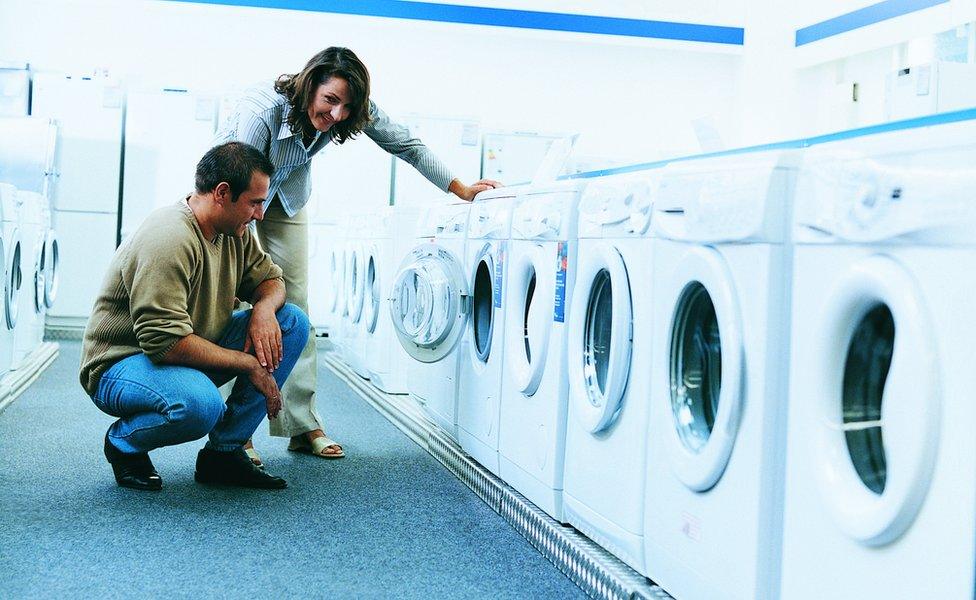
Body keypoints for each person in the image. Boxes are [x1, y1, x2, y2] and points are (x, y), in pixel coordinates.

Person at [215, 46, 500, 464]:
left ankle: (301, 423)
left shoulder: (349, 109)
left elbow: (408, 145)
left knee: (295, 308)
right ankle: (236, 432)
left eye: (347, 107)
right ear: (311, 85)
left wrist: (459, 188)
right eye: (330, 100)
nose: (337, 115)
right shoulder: (262, 111)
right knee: (238, 306)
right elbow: (236, 175)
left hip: (286, 197)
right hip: (236, 195)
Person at [79, 141, 310, 491]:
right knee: (201, 405)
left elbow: (272, 280)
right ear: (222, 193)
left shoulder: (234, 231)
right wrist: (247, 364)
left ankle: (224, 454)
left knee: (291, 321)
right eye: (255, 202)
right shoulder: (170, 237)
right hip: (122, 364)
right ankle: (123, 444)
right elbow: (165, 344)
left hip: (188, 345)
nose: (260, 214)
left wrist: (262, 309)